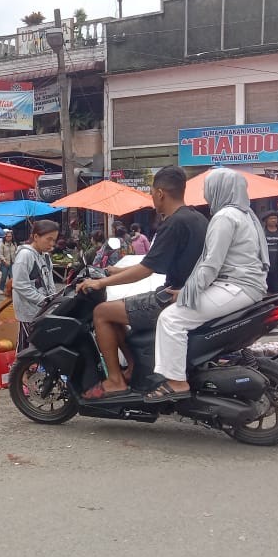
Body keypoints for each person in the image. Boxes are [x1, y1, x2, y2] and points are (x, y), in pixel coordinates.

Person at [76, 166, 208, 399]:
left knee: (102, 312)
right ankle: (136, 367)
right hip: (189, 293)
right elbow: (158, 262)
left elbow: (145, 270)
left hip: (172, 298)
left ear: (160, 193)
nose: (152, 198)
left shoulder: (173, 222)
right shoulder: (197, 218)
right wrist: (116, 271)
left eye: (150, 193)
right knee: (115, 312)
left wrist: (101, 283)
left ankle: (115, 380)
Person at [146, 168, 268, 402]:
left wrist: (187, 293)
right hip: (246, 286)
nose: (205, 193)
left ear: (220, 189)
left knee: (171, 319)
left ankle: (177, 382)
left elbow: (211, 263)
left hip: (236, 286)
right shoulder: (246, 215)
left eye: (207, 187)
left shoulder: (225, 217)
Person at [12, 220, 59, 350]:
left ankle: (21, 370)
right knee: (32, 347)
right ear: (36, 237)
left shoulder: (45, 256)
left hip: (41, 309)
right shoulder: (25, 255)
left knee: (27, 346)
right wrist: (43, 300)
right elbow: (20, 284)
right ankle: (22, 370)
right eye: (48, 239)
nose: (51, 244)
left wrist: (53, 299)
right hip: (29, 310)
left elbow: (49, 281)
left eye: (54, 240)